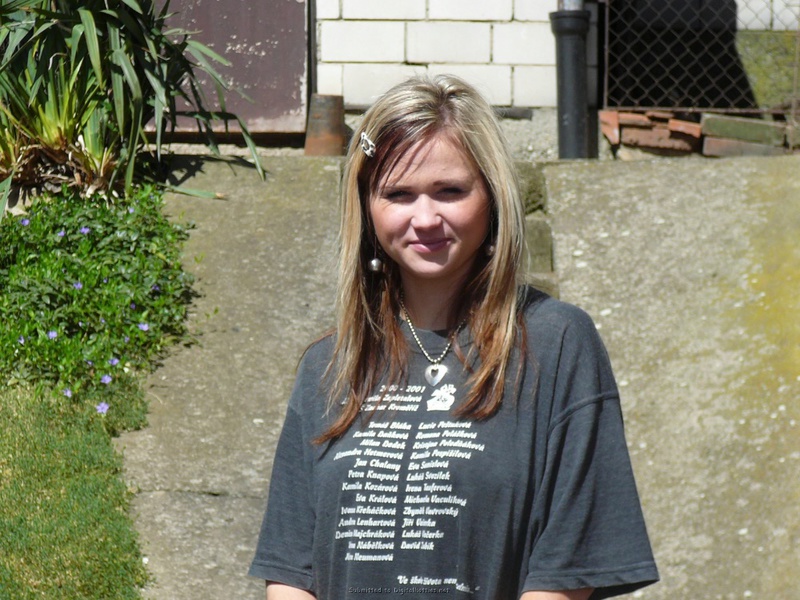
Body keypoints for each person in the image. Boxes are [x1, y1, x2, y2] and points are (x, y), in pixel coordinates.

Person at [249, 74, 659, 600]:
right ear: (367, 209)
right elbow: (290, 574)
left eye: (450, 191)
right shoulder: (328, 364)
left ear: (492, 195)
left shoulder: (556, 343)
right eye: (397, 194)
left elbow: (565, 571)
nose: (425, 219)